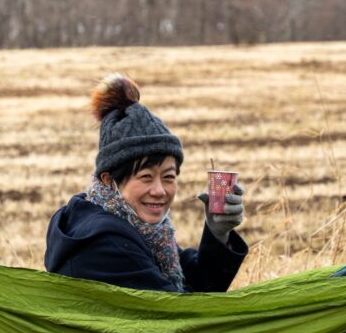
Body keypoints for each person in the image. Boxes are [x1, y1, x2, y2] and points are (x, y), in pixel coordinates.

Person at [44, 73, 248, 293]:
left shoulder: (141, 228)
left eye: (168, 177)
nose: (159, 191)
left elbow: (195, 286)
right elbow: (183, 315)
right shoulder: (105, 242)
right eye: (145, 177)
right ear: (108, 180)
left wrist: (218, 233)